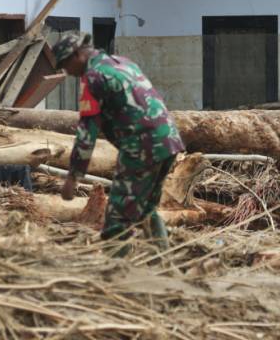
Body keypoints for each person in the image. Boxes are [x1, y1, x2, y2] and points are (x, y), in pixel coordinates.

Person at [53, 32, 184, 251]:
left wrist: (73, 178)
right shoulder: (123, 63)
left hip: (142, 147)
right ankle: (162, 261)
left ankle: (115, 274)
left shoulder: (93, 77)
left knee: (117, 216)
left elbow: (87, 132)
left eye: (65, 65)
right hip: (168, 140)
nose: (66, 72)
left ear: (76, 55)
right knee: (145, 209)